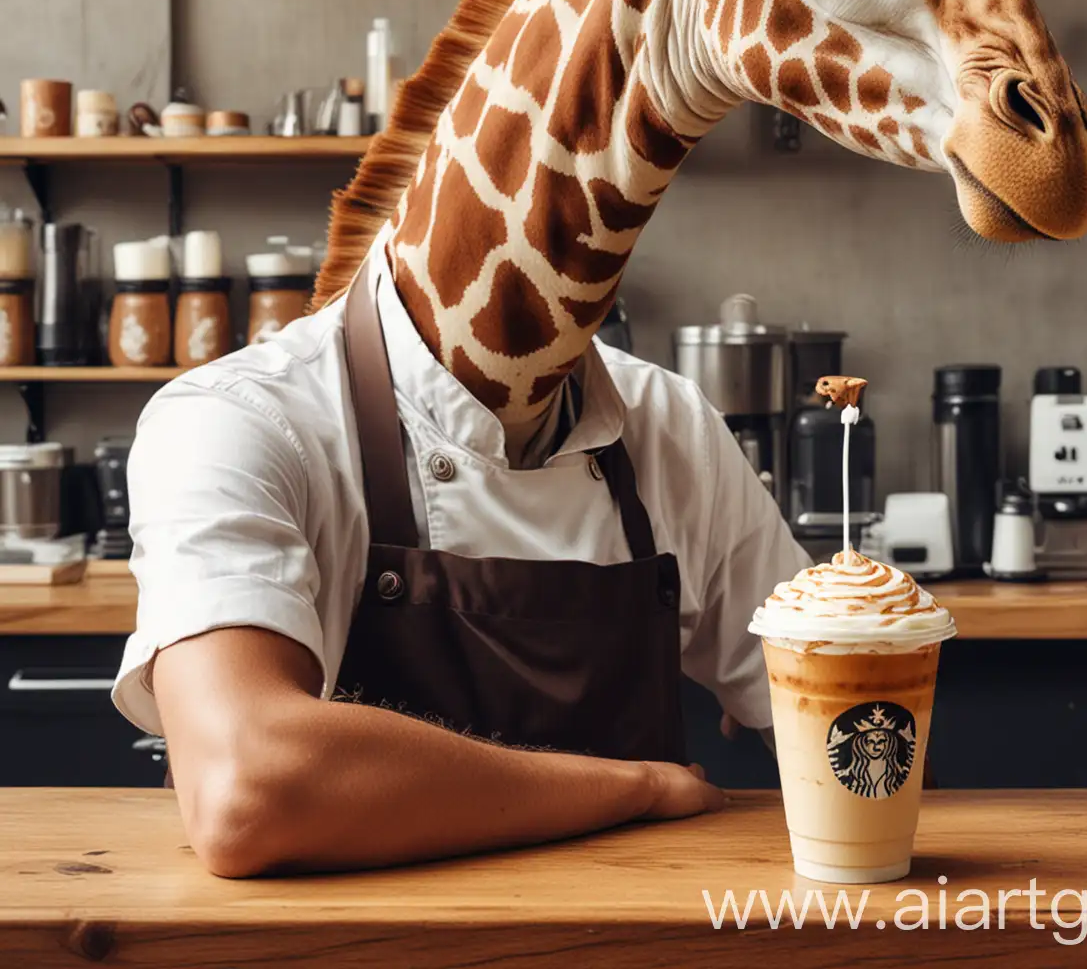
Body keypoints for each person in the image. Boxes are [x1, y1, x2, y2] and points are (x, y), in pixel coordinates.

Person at [113, 245, 808, 876]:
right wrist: (637, 786)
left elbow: (823, 693)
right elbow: (249, 789)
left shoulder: (672, 422)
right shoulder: (236, 417)